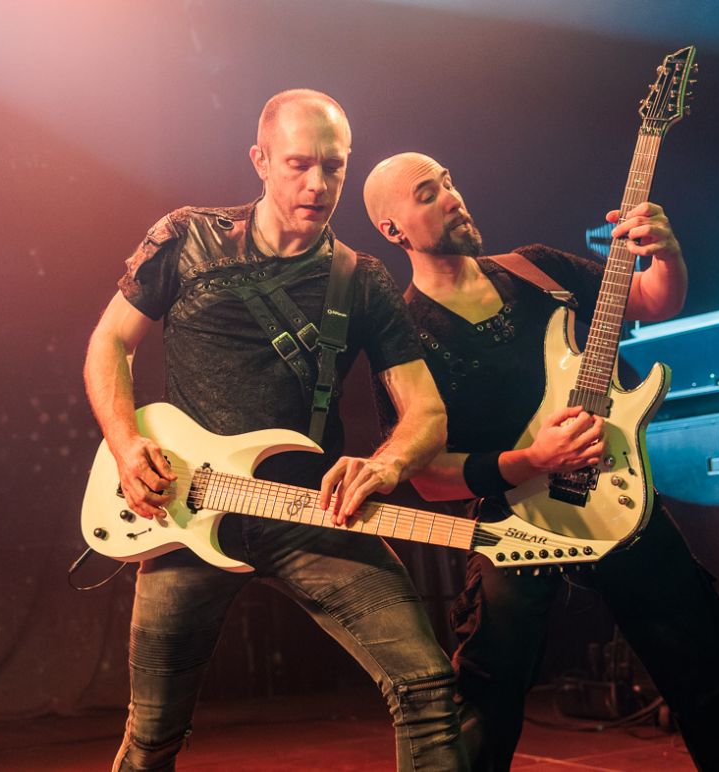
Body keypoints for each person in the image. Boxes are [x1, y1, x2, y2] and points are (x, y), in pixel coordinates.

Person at [83, 95, 468, 771]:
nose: (318, 184)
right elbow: (110, 341)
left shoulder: (362, 279)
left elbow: (427, 413)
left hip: (309, 511)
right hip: (186, 510)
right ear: (260, 161)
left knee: (429, 686)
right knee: (152, 736)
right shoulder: (188, 237)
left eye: (333, 167)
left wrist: (383, 466)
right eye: (298, 165)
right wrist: (124, 442)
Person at [362, 152, 719, 771]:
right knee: (487, 701)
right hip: (514, 522)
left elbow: (652, 300)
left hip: (616, 495)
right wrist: (533, 460)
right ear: (392, 229)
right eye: (427, 194)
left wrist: (666, 254)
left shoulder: (534, 268)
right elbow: (427, 477)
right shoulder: (404, 335)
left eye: (449, 182)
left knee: (708, 674)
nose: (452, 197)